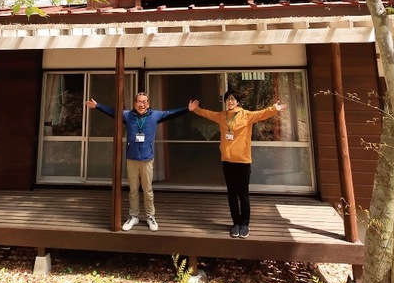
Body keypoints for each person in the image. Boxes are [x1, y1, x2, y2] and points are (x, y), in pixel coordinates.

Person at [86, 91, 193, 232]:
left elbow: (170, 114)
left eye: (144, 102)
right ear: (135, 103)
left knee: (148, 190)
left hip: (147, 159)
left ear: (148, 103)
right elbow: (113, 112)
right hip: (132, 159)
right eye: (139, 101)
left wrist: (187, 109)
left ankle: (150, 216)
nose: (142, 104)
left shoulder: (155, 115)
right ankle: (133, 216)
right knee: (133, 190)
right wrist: (98, 106)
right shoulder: (128, 115)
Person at [189, 90, 286, 239]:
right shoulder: (222, 116)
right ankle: (235, 223)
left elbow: (261, 114)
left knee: (243, 195)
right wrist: (196, 110)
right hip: (227, 161)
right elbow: (208, 114)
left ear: (238, 102)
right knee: (231, 195)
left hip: (242, 162)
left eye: (233, 99)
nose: (230, 101)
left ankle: (245, 224)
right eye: (228, 99)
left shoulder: (246, 115)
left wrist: (274, 109)